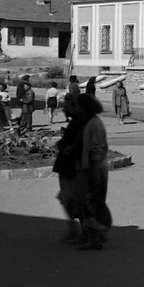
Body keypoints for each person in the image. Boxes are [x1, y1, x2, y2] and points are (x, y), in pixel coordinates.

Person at [73, 93, 112, 250]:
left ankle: (94, 238)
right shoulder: (89, 121)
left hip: (94, 168)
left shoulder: (94, 123)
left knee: (91, 202)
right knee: (89, 202)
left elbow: (96, 149)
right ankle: (93, 235)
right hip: (89, 167)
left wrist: (94, 173)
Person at [52, 96, 85, 242]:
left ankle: (87, 231)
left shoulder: (79, 123)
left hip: (72, 167)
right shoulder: (76, 123)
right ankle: (76, 229)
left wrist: (66, 147)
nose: (64, 110)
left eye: (67, 107)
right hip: (67, 166)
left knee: (73, 199)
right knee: (67, 198)